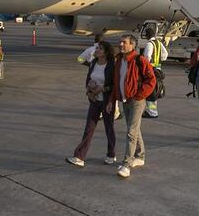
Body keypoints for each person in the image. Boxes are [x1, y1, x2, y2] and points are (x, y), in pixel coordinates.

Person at [107, 34, 156, 179]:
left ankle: (127, 164)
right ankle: (140, 156)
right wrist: (112, 100)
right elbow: (116, 82)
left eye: (124, 42)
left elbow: (151, 80)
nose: (121, 44)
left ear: (132, 45)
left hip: (136, 100)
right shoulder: (119, 61)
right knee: (134, 129)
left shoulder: (139, 60)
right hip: (124, 99)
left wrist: (139, 95)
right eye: (120, 42)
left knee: (131, 132)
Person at [67, 41, 117, 167]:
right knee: (89, 128)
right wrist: (89, 90)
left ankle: (111, 154)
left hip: (107, 101)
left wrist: (102, 89)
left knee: (109, 128)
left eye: (99, 48)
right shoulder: (94, 63)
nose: (96, 50)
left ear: (105, 52)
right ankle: (79, 156)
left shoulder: (112, 65)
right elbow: (89, 78)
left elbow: (114, 85)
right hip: (94, 100)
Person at [142, 26, 168, 119]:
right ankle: (152, 110)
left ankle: (152, 112)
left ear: (147, 35)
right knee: (156, 90)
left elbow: (147, 57)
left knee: (150, 91)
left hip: (151, 70)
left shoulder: (149, 44)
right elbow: (165, 54)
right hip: (158, 69)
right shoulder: (158, 42)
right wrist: (159, 60)